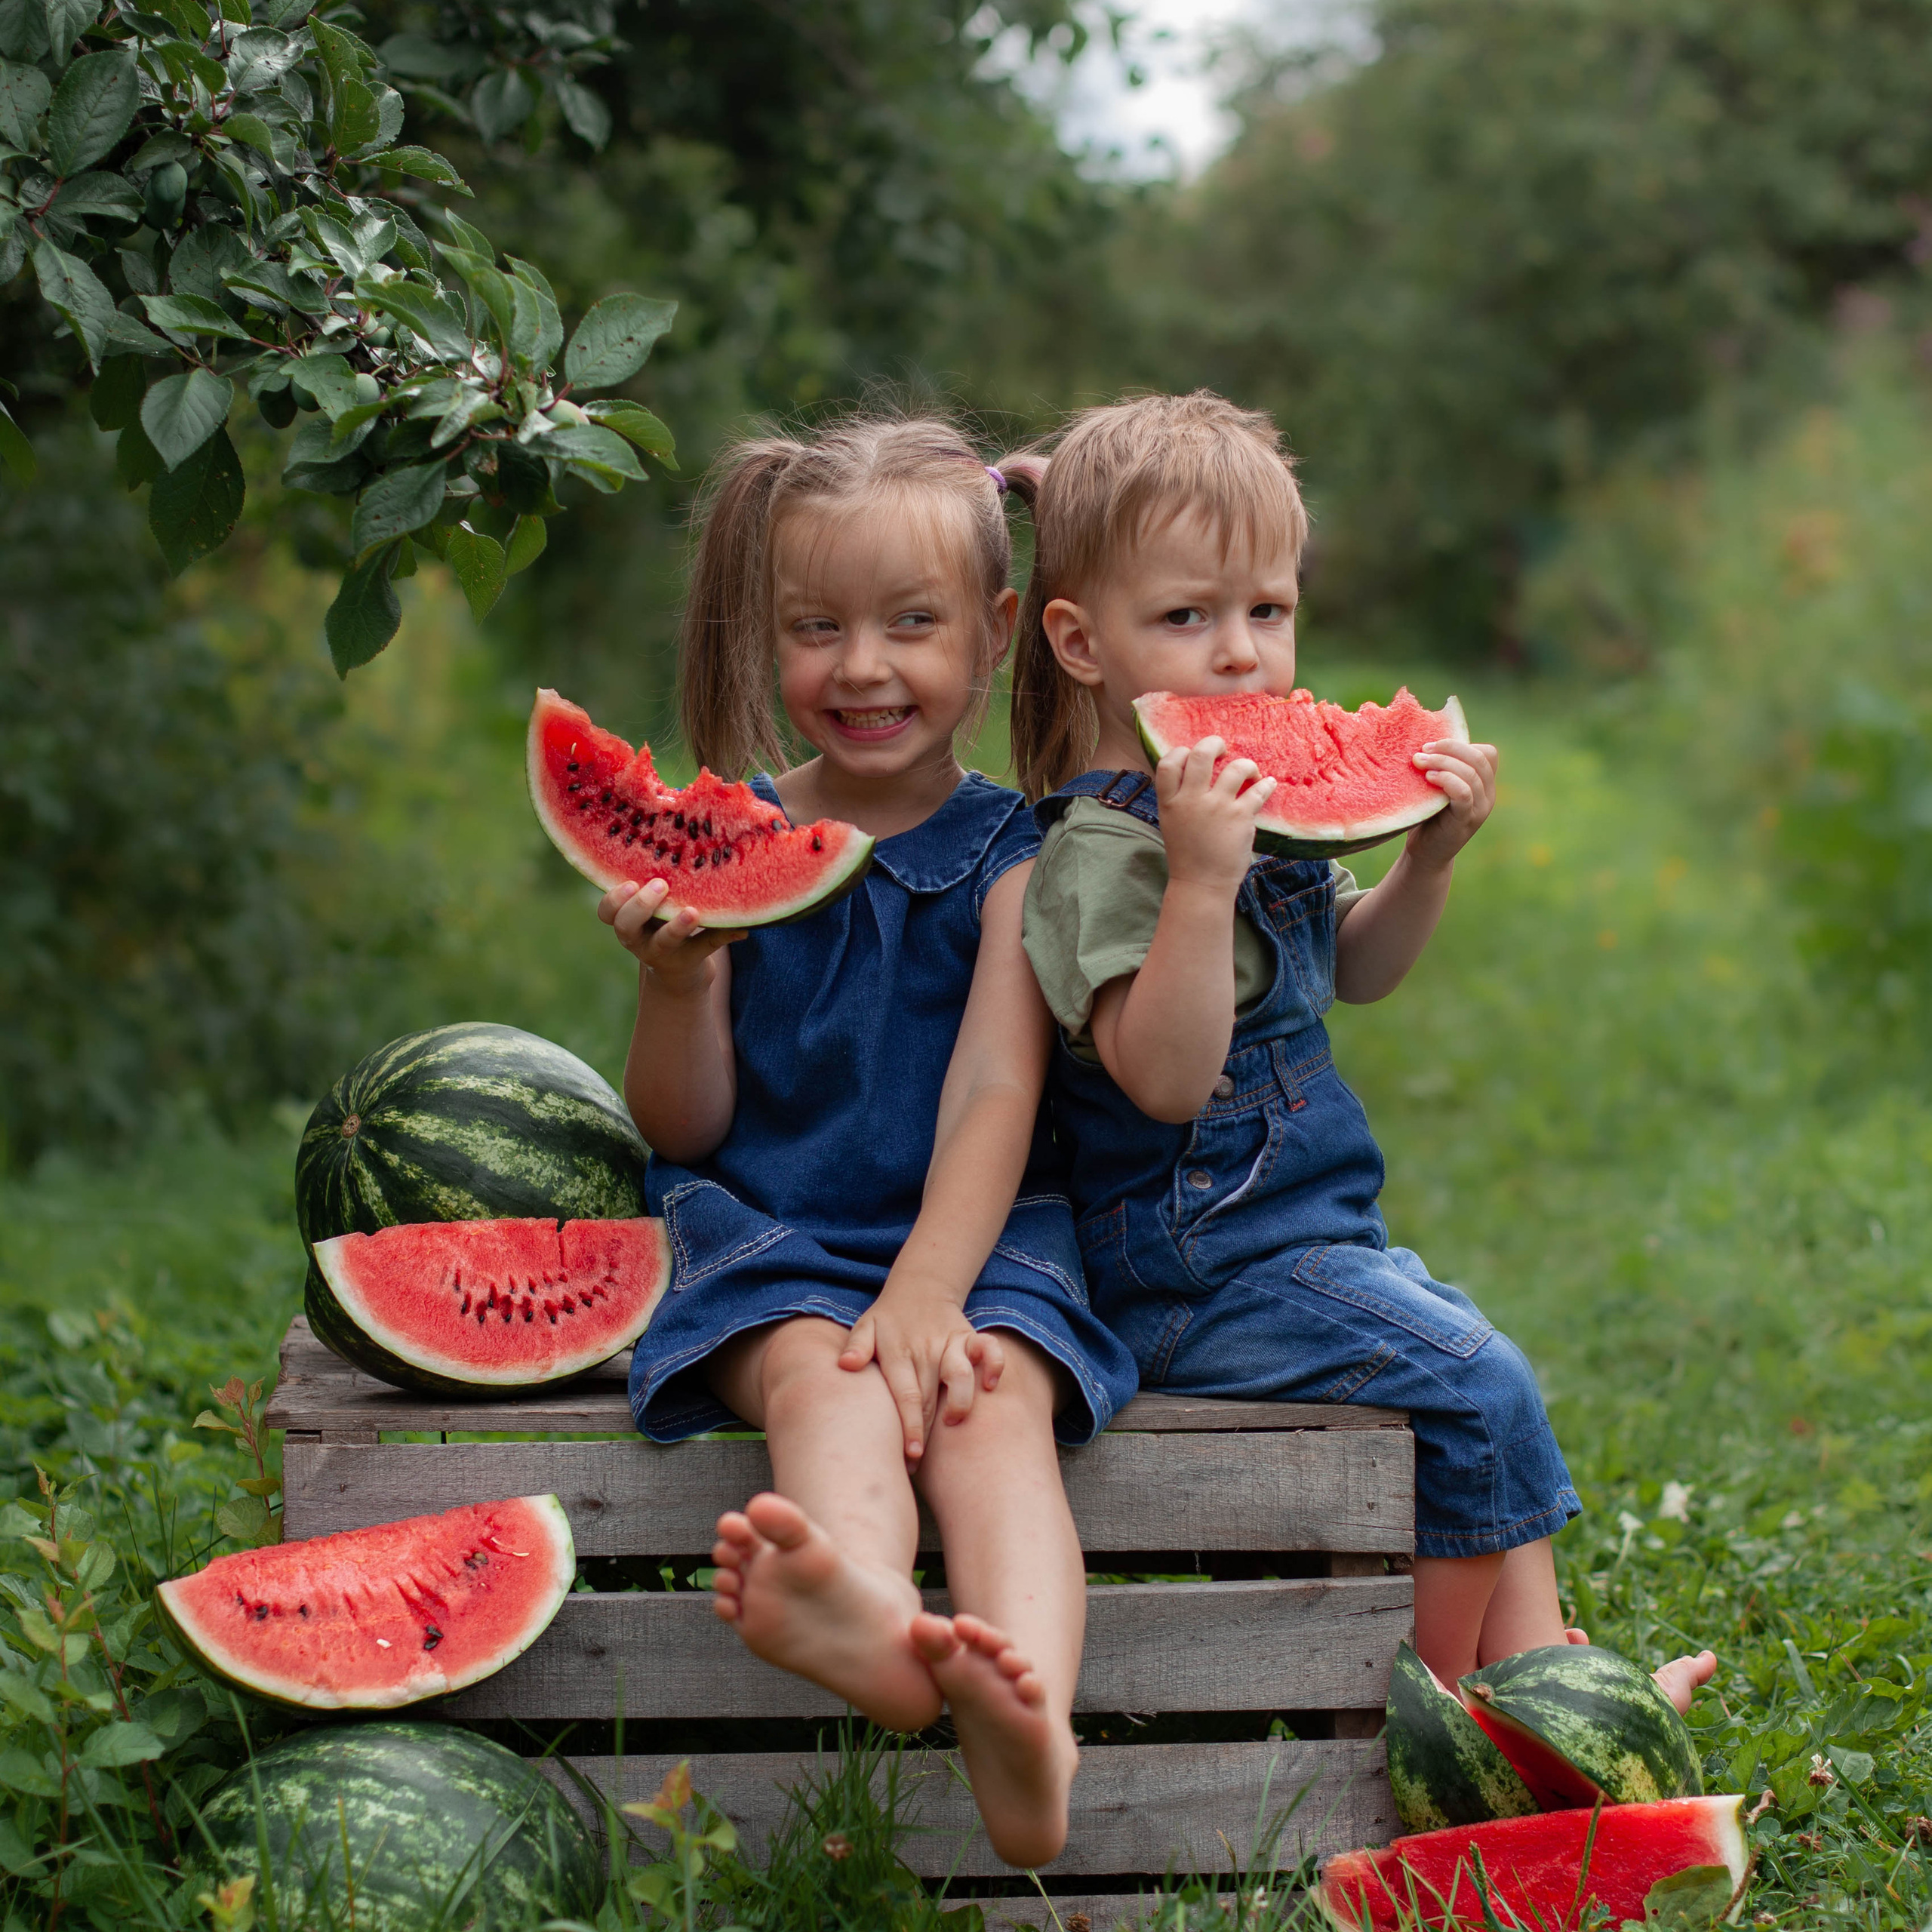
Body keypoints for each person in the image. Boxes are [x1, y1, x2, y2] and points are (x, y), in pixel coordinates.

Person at [1005, 391, 1714, 1707]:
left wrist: (1429, 857)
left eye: (1267, 611)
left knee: (1472, 1351)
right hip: (1191, 1279)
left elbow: (1362, 970)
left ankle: (1552, 1682)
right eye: (1187, 617)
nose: (1241, 655)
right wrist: (1199, 882)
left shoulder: (1254, 809)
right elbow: (1162, 1078)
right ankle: (1440, 1716)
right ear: (1080, 642)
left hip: (1310, 1242)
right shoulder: (1098, 856)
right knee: (1479, 1384)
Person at [599, 413, 1138, 1869]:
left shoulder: (1018, 857)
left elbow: (995, 1094)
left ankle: (1033, 1727)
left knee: (994, 1411)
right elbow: (686, 1126)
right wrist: (676, 985)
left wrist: (929, 1290)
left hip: (976, 1239)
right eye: (815, 628)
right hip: (772, 1233)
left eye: (910, 623)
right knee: (817, 1380)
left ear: (997, 631)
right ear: (767, 636)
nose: (860, 667)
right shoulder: (725, 840)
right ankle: (872, 1620)